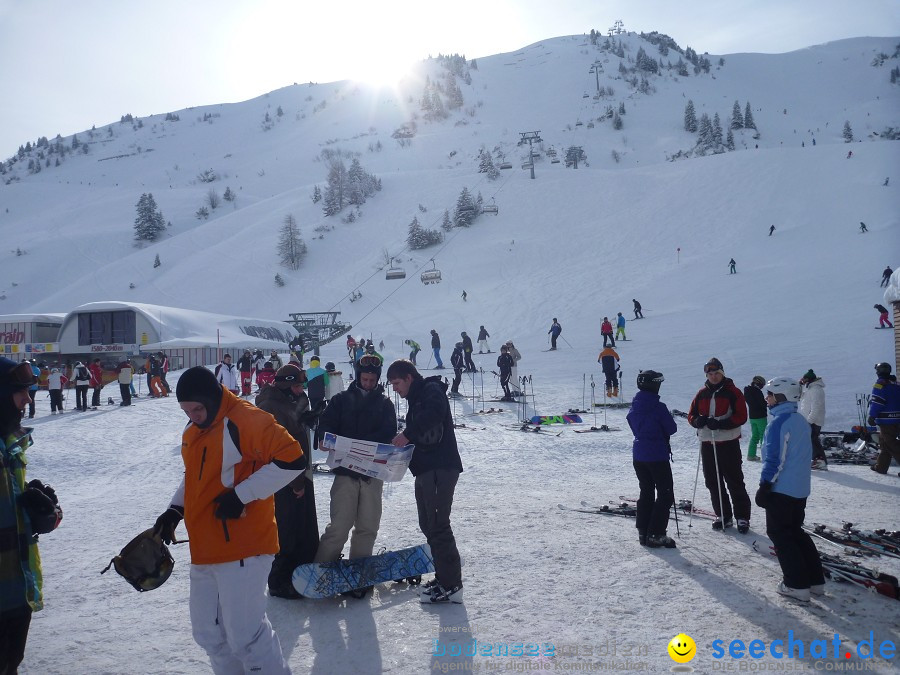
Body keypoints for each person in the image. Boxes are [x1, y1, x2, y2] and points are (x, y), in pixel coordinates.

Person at [152, 366, 304, 673]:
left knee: (246, 636)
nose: (193, 416)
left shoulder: (244, 419)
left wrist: (240, 496)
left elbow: (293, 460)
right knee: (209, 634)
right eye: (186, 410)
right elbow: (197, 476)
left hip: (244, 546)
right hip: (206, 547)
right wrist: (175, 510)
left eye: (197, 408)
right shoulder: (195, 430)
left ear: (213, 398)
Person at [314, 354, 396, 598]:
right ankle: (320, 573)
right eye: (365, 378)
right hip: (346, 474)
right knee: (339, 526)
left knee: (367, 526)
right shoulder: (340, 400)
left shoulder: (385, 405)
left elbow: (389, 434)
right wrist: (325, 439)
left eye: (372, 380)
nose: (368, 383)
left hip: (372, 475)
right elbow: (324, 426)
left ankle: (358, 576)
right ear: (358, 376)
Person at [0, 358, 62, 674]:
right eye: (20, 392)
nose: (28, 399)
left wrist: (42, 515)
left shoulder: (11, 444)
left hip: (16, 587)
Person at [387, 360, 464, 604]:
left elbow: (435, 414)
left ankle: (452, 585)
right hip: (425, 470)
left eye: (397, 383)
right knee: (428, 523)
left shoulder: (431, 390)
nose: (395, 389)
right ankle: (444, 577)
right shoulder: (416, 399)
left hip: (440, 468)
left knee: (439, 524)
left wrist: (407, 433)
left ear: (409, 377)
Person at [755, 377, 825, 602]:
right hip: (800, 489)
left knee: (781, 535)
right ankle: (815, 582)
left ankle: (797, 585)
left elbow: (775, 460)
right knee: (795, 531)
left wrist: (765, 486)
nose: (767, 398)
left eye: (770, 394)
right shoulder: (800, 420)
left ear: (781, 396)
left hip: (781, 490)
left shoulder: (778, 423)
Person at [255, 363, 319, 599]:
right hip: (285, 478)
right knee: (288, 530)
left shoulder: (289, 400)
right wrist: (296, 482)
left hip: (299, 473)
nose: (301, 390)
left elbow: (296, 424)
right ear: (284, 386)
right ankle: (280, 581)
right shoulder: (271, 406)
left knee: (304, 528)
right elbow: (280, 449)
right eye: (296, 386)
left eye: (302, 385)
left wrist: (308, 418)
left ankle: (301, 573)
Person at [687, 357, 751, 533]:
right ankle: (723, 515)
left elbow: (741, 416)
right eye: (710, 374)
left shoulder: (733, 392)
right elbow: (690, 414)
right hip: (707, 442)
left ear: (722, 373)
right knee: (713, 481)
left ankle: (742, 517)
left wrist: (722, 424)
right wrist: (696, 421)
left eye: (716, 373)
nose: (713, 377)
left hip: (728, 442)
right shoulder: (701, 393)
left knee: (734, 480)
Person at [627, 370, 677, 548]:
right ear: (655, 385)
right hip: (656, 454)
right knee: (665, 493)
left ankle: (644, 531)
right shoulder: (658, 407)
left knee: (646, 491)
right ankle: (655, 533)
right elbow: (671, 428)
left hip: (639, 454)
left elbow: (632, 423)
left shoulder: (635, 405)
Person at [868, 362, 900, 475]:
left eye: (877, 370)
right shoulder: (895, 383)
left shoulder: (880, 384)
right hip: (897, 419)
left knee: (890, 443)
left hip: (886, 420)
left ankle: (881, 467)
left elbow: (878, 402)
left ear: (879, 372)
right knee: (884, 444)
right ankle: (881, 467)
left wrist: (872, 415)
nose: (876, 372)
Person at [799, 370, 827, 470]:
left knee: (813, 440)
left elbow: (816, 407)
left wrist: (809, 421)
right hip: (810, 420)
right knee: (811, 440)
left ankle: (820, 461)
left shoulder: (816, 390)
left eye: (805, 379)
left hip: (814, 421)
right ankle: (818, 460)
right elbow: (800, 397)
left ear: (810, 379)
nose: (804, 381)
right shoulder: (810, 388)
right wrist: (800, 386)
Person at [743, 376, 767, 461]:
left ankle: (751, 455)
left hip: (752, 417)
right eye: (762, 385)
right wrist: (766, 402)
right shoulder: (757, 392)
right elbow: (762, 404)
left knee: (755, 436)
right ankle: (766, 456)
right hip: (761, 417)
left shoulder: (747, 391)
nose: (762, 387)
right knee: (763, 436)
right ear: (759, 383)